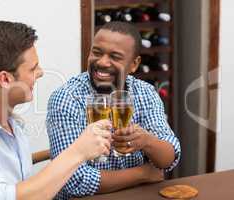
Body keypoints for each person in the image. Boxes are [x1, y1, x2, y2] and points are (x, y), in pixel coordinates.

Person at [0, 21, 112, 200]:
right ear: (5, 79)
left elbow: (4, 167)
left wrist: (65, 149)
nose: (41, 73)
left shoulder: (10, 122)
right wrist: (77, 152)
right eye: (33, 69)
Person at [47, 21, 181, 199]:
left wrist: (147, 141)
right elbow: (73, 181)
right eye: (97, 52)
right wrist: (144, 174)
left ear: (134, 64)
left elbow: (170, 158)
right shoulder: (67, 98)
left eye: (115, 57)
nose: (102, 62)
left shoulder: (145, 92)